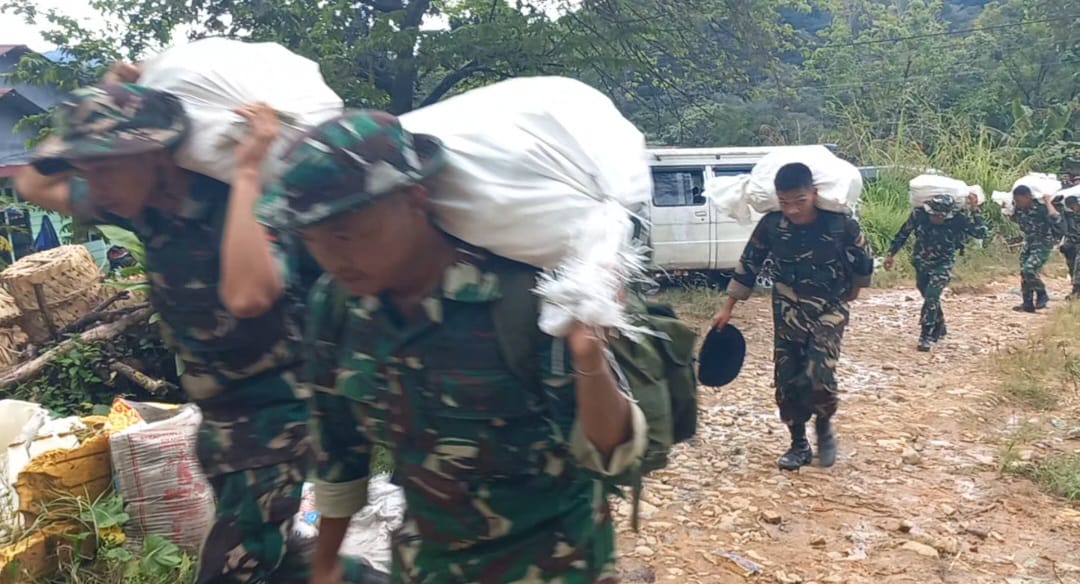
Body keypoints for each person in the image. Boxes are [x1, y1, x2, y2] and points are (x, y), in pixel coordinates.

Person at [255, 110, 648, 584]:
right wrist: (326, 565)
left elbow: (610, 456)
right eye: (315, 240)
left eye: (349, 233)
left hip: (555, 562)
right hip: (428, 562)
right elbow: (339, 445)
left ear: (416, 199)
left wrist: (588, 357)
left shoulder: (522, 299)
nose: (335, 258)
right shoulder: (337, 307)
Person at [13, 70, 324, 584]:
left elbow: (248, 298)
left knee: (231, 567)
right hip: (223, 416)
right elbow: (32, 182)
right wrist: (109, 95)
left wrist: (247, 172)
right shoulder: (145, 207)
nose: (96, 184)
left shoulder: (239, 200)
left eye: (105, 168)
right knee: (278, 557)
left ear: (155, 154)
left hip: (280, 414)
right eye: (86, 167)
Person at [710, 163, 873, 471]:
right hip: (786, 311)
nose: (793, 209)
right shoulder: (772, 225)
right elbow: (750, 262)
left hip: (829, 308)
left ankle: (823, 424)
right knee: (786, 378)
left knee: (818, 371)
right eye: (785, 202)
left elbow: (863, 261)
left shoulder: (839, 225)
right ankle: (798, 443)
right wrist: (728, 307)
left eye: (800, 200)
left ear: (814, 193)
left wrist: (855, 289)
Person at [884, 193, 988, 351]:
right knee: (925, 292)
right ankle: (939, 323)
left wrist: (975, 209)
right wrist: (891, 254)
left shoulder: (957, 219)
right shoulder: (919, 215)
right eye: (934, 214)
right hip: (921, 262)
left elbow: (981, 232)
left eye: (941, 216)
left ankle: (926, 334)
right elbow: (903, 234)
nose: (937, 218)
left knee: (932, 296)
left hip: (943, 263)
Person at [1009, 185, 1064, 312]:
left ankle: (1042, 293)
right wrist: (1007, 210)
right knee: (1024, 272)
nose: (1018, 203)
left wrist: (1048, 202)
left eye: (1019, 200)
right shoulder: (1018, 209)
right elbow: (1016, 220)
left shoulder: (1041, 208)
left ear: (1028, 197)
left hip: (1043, 242)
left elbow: (1057, 220)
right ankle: (1027, 303)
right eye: (1016, 200)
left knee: (1029, 268)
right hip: (1028, 241)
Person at [1060, 194, 1080, 299]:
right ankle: (1076, 290)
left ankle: (1077, 291)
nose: (1072, 209)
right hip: (1071, 244)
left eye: (1073, 207)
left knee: (1078, 266)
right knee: (1072, 267)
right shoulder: (1068, 215)